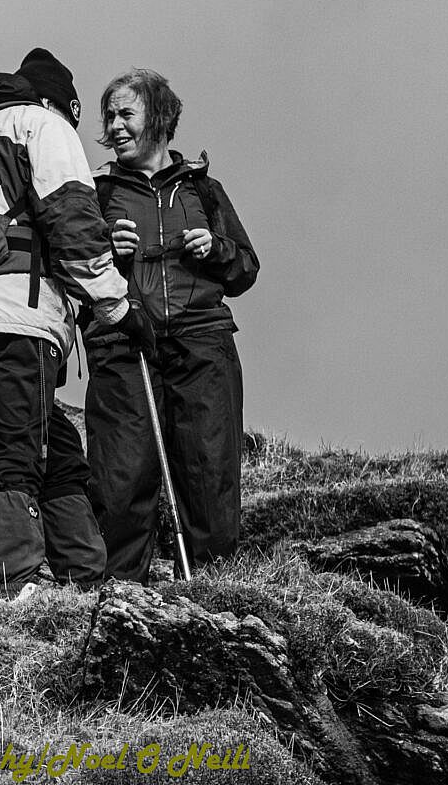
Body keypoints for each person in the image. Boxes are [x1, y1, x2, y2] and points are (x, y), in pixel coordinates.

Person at [0, 48, 154, 611]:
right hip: (15, 313)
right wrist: (119, 306)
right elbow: (71, 219)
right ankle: (12, 582)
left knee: (58, 443)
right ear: (63, 103)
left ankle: (85, 577)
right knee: (21, 445)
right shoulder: (41, 124)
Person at [82, 68, 259, 583]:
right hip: (121, 342)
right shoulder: (97, 192)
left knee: (209, 471)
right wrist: (107, 255)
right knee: (120, 475)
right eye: (108, 116)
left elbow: (246, 268)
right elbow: (72, 272)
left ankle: (214, 594)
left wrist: (216, 248)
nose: (114, 126)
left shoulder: (203, 190)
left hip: (203, 342)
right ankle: (118, 598)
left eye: (125, 114)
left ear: (157, 118)